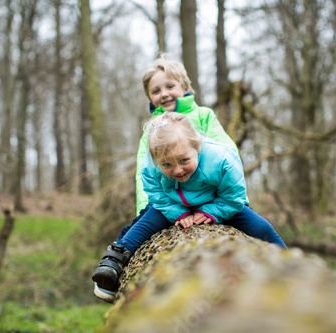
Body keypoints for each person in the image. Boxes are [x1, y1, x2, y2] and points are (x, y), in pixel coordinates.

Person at [92, 112, 287, 302]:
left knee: (260, 227)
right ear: (156, 160)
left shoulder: (222, 159)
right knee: (143, 225)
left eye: (184, 160)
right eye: (167, 164)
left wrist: (211, 211)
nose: (177, 170)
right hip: (172, 203)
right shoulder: (150, 165)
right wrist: (178, 213)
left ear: (197, 146)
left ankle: (285, 261)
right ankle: (114, 261)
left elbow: (234, 197)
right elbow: (155, 194)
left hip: (219, 202)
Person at [91, 54, 240, 302]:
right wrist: (145, 205)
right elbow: (144, 172)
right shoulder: (153, 130)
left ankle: (280, 254)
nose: (164, 94)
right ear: (150, 97)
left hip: (209, 195)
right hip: (171, 197)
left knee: (254, 223)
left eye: (170, 86)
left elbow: (228, 151)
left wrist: (227, 195)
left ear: (185, 88)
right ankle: (112, 267)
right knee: (138, 228)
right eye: (156, 90)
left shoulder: (203, 115)